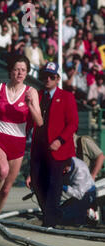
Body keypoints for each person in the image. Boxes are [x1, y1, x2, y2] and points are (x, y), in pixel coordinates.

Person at [0, 55, 43, 243]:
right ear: (10, 70)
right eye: (16, 69)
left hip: (18, 142)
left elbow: (39, 122)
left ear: (27, 72)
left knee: (7, 189)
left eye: (23, 70)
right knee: (2, 170)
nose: (19, 73)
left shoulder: (31, 92)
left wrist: (30, 105)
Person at [26, 62, 79, 228]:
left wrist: (60, 140)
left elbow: (73, 124)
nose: (47, 79)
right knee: (36, 182)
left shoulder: (67, 97)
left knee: (53, 184)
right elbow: (29, 119)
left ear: (57, 79)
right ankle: (52, 215)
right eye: (44, 76)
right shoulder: (38, 96)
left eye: (52, 76)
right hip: (38, 148)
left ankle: (50, 221)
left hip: (58, 150)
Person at [59, 157, 97, 226]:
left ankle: (89, 213)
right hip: (78, 191)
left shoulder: (80, 172)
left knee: (67, 219)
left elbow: (79, 194)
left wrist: (63, 187)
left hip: (87, 193)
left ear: (68, 166)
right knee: (59, 212)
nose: (63, 171)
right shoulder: (69, 161)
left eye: (64, 169)